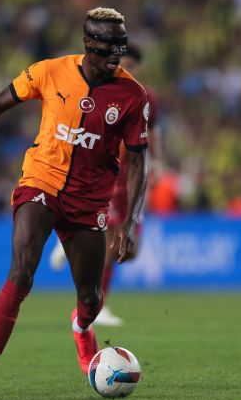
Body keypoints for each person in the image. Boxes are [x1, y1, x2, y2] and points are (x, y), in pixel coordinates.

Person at [0, 7, 149, 398]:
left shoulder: (132, 95)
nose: (116, 57)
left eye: (121, 48)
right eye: (109, 48)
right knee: (22, 273)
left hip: (90, 200)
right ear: (89, 44)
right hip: (41, 180)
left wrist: (131, 221)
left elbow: (139, 158)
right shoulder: (48, 71)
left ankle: (81, 326)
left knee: (89, 296)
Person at [48, 44, 161, 326]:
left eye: (134, 66)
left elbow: (151, 133)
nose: (129, 71)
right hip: (111, 172)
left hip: (134, 171)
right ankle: (98, 306)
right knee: (113, 241)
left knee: (130, 251)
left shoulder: (147, 97)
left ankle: (71, 239)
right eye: (125, 65)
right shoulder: (99, 92)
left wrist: (156, 163)